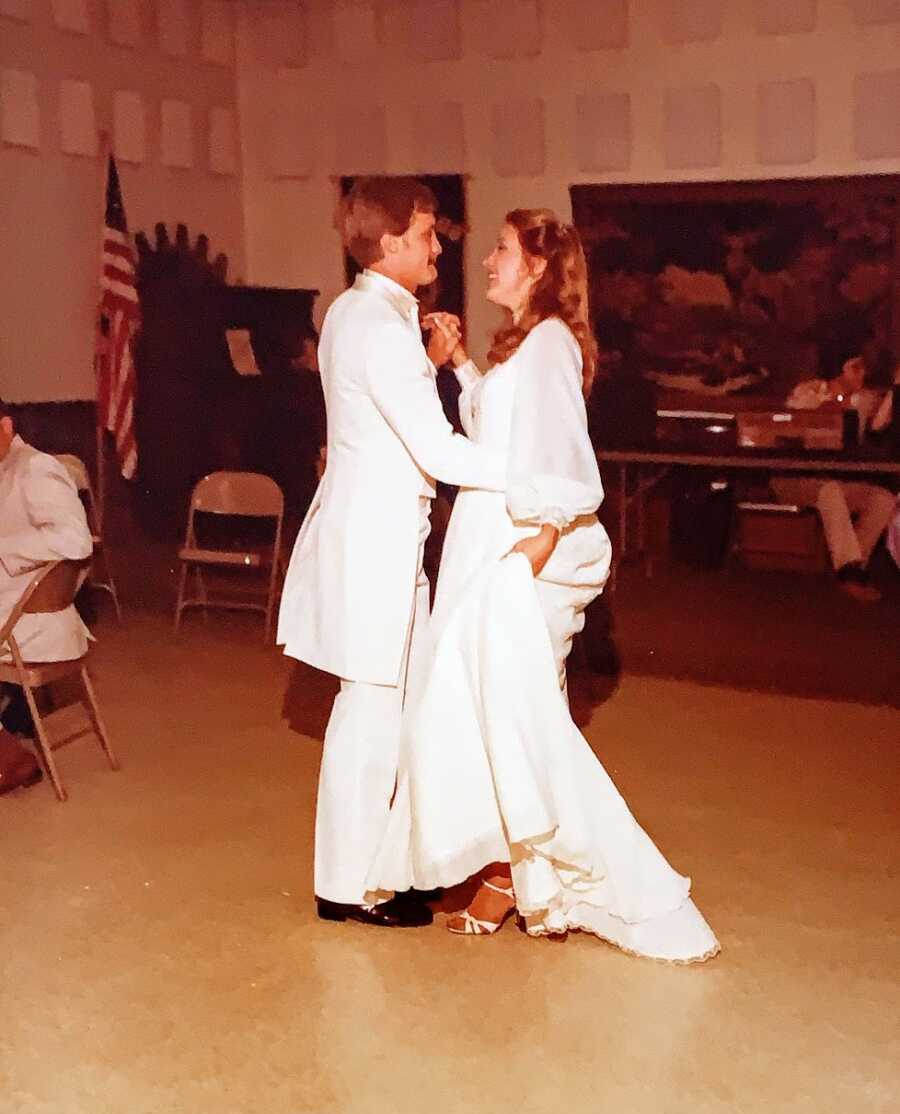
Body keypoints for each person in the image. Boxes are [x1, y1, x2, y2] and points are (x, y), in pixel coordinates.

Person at [366, 210, 719, 963]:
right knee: (490, 709)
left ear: (536, 266)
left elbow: (559, 449)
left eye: (501, 250)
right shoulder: (528, 344)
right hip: (488, 534)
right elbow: (499, 425)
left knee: (517, 712)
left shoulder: (553, 342)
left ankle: (583, 877)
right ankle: (513, 874)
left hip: (519, 539)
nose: (487, 260)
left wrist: (543, 539)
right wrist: (460, 367)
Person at [276, 177, 506, 928]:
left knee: (393, 707)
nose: (437, 247)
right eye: (427, 234)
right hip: (373, 544)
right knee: (371, 713)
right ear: (390, 243)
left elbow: (387, 416)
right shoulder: (378, 326)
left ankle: (377, 868)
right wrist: (529, 468)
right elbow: (438, 450)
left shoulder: (362, 314)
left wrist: (433, 363)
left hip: (378, 537)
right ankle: (349, 886)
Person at [0, 400, 93, 795]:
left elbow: (76, 539)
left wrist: (4, 549)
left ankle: (10, 758)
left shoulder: (36, 468)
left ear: (5, 426)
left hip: (37, 621)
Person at [771, 348, 899, 602]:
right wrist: (841, 394)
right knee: (829, 491)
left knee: (882, 497)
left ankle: (852, 569)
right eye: (856, 367)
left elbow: (879, 424)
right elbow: (802, 423)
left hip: (836, 482)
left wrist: (896, 387)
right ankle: (849, 571)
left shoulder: (863, 399)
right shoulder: (807, 392)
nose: (862, 374)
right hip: (794, 478)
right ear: (842, 368)